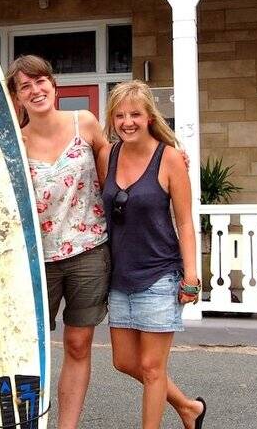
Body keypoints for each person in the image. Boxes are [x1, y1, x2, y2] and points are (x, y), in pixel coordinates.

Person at [5, 55, 111, 429]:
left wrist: (169, 156)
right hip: (36, 259)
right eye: (25, 86)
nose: (35, 90)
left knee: (78, 345)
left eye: (40, 81)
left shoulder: (86, 123)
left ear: (54, 84)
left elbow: (118, 172)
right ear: (16, 97)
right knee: (29, 350)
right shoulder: (14, 143)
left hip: (89, 251)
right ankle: (27, 421)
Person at [97, 80, 207, 429]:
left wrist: (191, 275)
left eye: (135, 114)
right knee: (124, 361)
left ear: (149, 117)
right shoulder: (107, 155)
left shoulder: (170, 158)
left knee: (152, 368)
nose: (127, 122)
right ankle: (189, 408)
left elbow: (186, 223)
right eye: (119, 115)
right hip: (120, 276)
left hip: (160, 275)